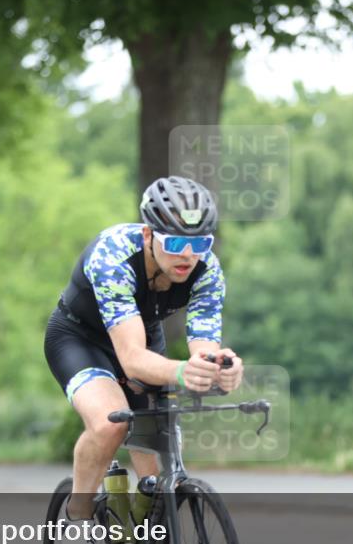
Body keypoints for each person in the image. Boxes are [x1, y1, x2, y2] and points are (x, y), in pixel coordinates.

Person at [45, 176, 244, 522]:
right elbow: (132, 359)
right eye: (176, 241)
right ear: (148, 234)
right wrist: (182, 371)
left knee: (156, 477)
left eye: (200, 244)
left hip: (143, 337)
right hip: (80, 339)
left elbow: (203, 349)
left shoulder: (207, 270)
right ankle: (79, 517)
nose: (187, 255)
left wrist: (218, 369)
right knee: (110, 423)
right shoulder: (113, 256)